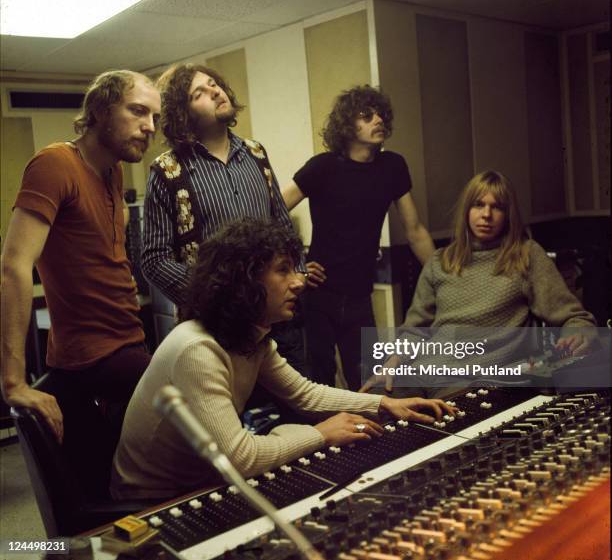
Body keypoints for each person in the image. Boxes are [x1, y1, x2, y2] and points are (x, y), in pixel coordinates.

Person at [111, 218, 455, 500]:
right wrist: (320, 435)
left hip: (203, 484)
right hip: (154, 502)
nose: (299, 282)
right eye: (283, 270)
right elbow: (240, 457)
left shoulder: (251, 336)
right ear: (245, 281)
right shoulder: (197, 349)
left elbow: (306, 395)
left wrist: (381, 403)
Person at [0, 70, 161, 441]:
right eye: (138, 111)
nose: (149, 126)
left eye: (154, 117)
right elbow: (14, 266)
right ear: (101, 110)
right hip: (93, 356)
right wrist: (14, 383)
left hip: (128, 341)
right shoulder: (55, 164)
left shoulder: (113, 171)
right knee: (199, 416)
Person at [142, 63, 315, 374]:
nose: (215, 91)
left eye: (214, 84)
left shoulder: (255, 153)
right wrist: (212, 298)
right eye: (199, 93)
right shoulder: (167, 171)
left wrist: (297, 273)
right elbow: (154, 259)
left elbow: (281, 223)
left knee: (299, 413)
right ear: (184, 112)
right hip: (215, 329)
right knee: (228, 419)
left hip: (276, 320)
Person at [361, 170, 596, 394]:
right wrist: (392, 363)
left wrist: (577, 334)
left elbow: (574, 317)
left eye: (497, 207)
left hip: (480, 379)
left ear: (508, 215)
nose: (486, 215)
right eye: (479, 205)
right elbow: (415, 330)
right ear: (467, 210)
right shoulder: (440, 260)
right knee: (367, 414)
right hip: (423, 371)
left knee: (432, 426)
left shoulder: (526, 255)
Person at [283, 85, 434, 391]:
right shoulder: (322, 167)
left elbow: (415, 230)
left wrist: (443, 276)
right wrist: (295, 264)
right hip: (317, 296)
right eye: (366, 115)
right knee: (318, 385)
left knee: (369, 385)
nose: (377, 119)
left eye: (380, 114)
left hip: (359, 298)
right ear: (346, 125)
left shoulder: (392, 166)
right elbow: (270, 211)